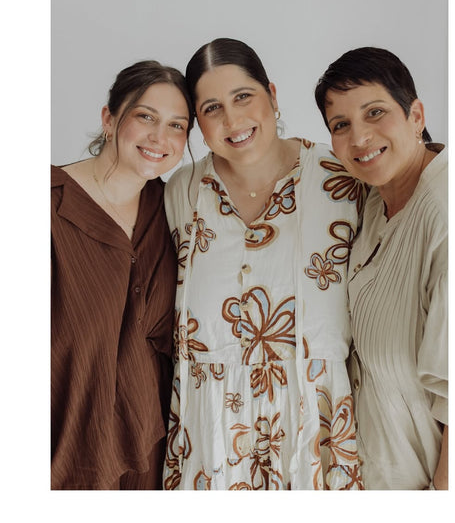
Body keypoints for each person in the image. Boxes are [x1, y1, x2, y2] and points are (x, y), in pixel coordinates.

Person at [162, 38, 368, 490]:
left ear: (272, 95)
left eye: (243, 97)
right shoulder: (182, 192)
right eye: (212, 108)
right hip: (209, 438)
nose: (232, 120)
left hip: (316, 429)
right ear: (197, 122)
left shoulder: (341, 180)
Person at [51, 60, 194, 489]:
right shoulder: (46, 204)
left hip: (150, 454)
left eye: (176, 125)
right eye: (146, 117)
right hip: (62, 446)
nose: (160, 137)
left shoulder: (175, 210)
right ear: (109, 119)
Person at [314, 46, 448, 490]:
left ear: (416, 115)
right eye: (340, 125)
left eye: (375, 112)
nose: (359, 137)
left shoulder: (449, 215)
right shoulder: (372, 200)